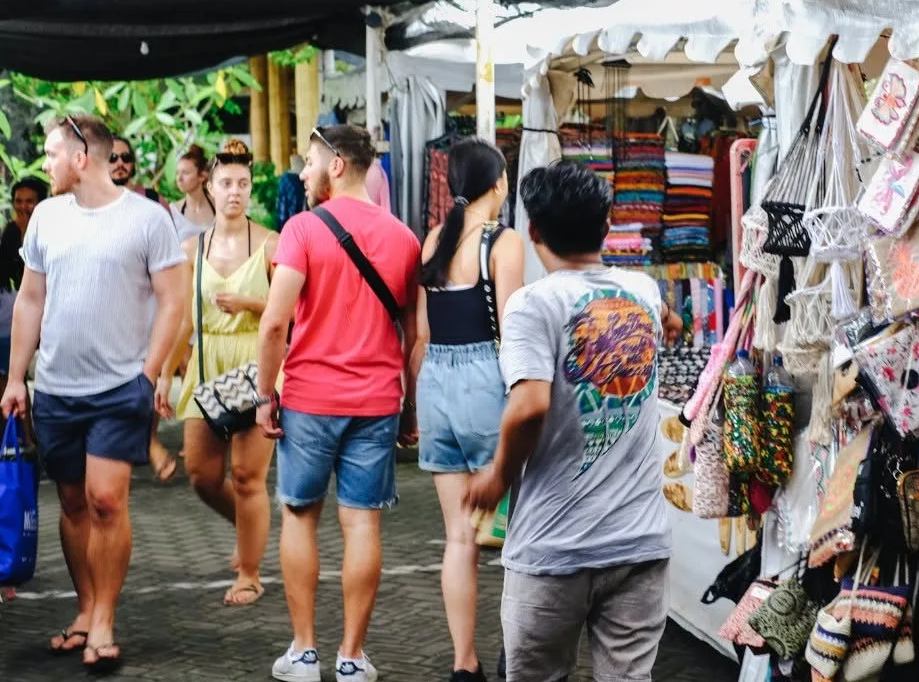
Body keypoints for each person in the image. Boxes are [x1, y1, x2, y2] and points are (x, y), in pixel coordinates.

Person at [465, 161, 679, 682]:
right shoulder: (643, 292)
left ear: (533, 231)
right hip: (640, 543)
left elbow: (530, 404)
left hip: (554, 549)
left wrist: (497, 473)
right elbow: (671, 318)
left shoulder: (532, 305)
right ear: (606, 227)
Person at [0, 115, 186, 670]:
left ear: (82, 158)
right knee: (75, 503)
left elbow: (172, 302)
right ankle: (85, 610)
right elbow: (31, 299)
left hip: (118, 388)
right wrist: (16, 378)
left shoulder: (148, 220)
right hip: (56, 388)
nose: (46, 165)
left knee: (107, 500)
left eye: (53, 154)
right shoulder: (47, 219)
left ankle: (105, 616)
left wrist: (148, 375)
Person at [256, 124, 421, 682]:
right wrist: (411, 406)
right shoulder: (404, 238)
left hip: (308, 399)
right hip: (377, 402)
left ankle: (304, 653)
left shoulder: (301, 229)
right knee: (362, 526)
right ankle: (351, 657)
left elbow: (276, 320)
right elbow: (412, 335)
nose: (302, 172)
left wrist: (263, 395)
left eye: (308, 161)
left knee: (300, 516)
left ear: (336, 165)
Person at [416, 138, 524, 682]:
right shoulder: (504, 243)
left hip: (435, 381)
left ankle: (464, 663)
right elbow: (513, 330)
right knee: (516, 534)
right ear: (498, 183)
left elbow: (421, 332)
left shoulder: (434, 238)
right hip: (486, 383)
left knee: (460, 537)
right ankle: (518, 653)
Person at [155, 139, 279, 606]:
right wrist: (166, 372)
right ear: (210, 184)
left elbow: (291, 312)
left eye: (243, 184)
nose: (235, 192)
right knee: (202, 475)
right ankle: (249, 526)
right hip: (207, 367)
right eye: (226, 183)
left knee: (249, 478)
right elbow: (185, 319)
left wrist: (250, 302)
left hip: (256, 365)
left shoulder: (272, 242)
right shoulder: (192, 247)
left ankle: (250, 572)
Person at [0, 177, 49, 388]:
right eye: (18, 201)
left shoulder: (52, 231)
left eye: (29, 201)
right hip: (19, 317)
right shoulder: (10, 232)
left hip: (48, 316)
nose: (23, 206)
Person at [169, 144, 215, 241]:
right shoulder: (173, 212)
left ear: (202, 176)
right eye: (177, 173)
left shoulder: (219, 207)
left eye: (185, 173)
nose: (179, 178)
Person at [110, 136, 168, 207]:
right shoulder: (94, 204)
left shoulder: (153, 199)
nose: (120, 163)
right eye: (112, 157)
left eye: (126, 157)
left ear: (132, 162)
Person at [276, 154, 306, 230]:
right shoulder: (287, 178)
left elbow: (282, 201)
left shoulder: (286, 178)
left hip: (294, 217)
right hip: (297, 217)